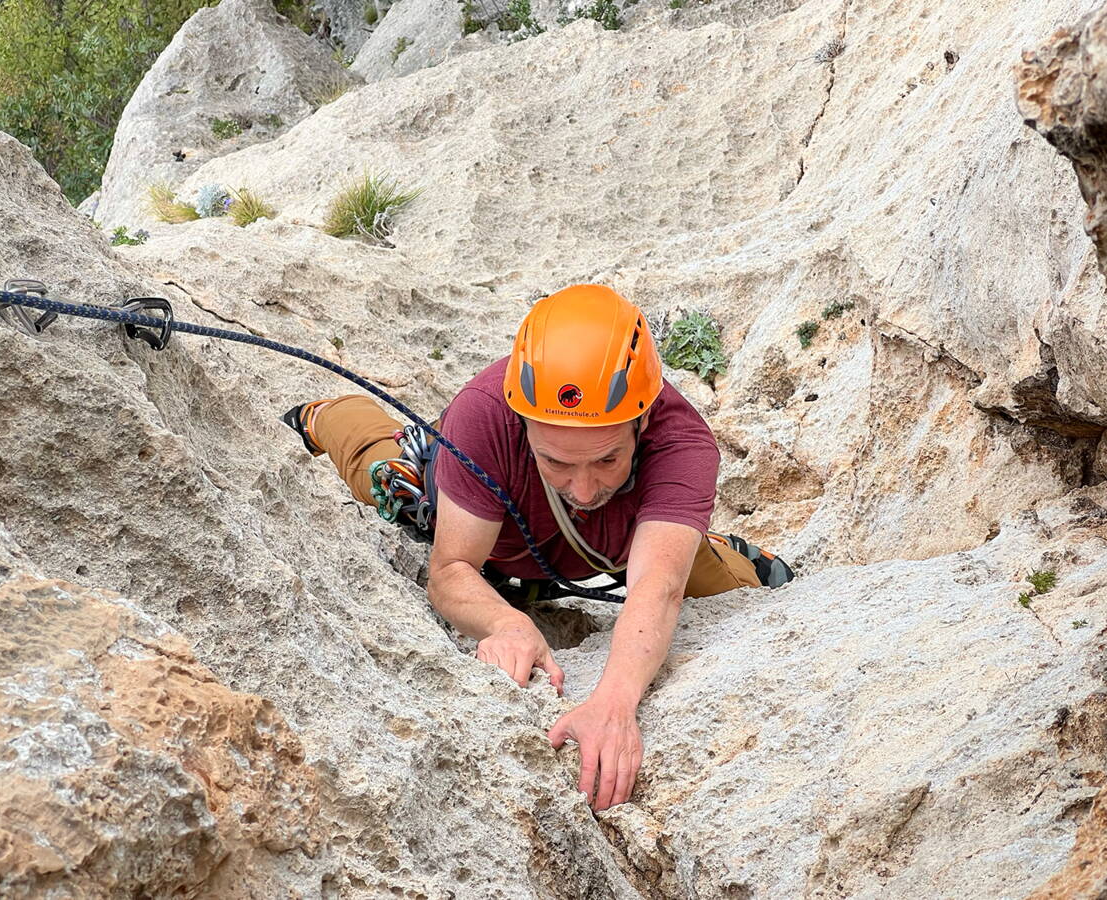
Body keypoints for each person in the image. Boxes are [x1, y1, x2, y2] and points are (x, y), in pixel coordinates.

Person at [284, 284, 792, 812]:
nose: (584, 490)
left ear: (643, 421)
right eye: (556, 461)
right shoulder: (484, 414)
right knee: (389, 478)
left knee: (714, 585)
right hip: (499, 533)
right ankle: (332, 414)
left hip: (618, 543)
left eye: (606, 459)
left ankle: (713, 546)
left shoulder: (681, 442)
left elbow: (657, 587)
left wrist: (614, 705)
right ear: (520, 420)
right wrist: (507, 624)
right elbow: (451, 568)